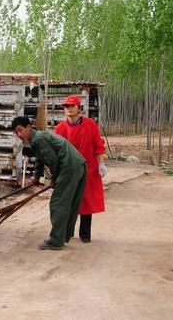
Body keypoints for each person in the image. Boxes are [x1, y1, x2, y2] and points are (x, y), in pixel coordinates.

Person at [11, 116, 87, 250]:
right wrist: (36, 176)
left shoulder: (39, 139)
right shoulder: (36, 138)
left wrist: (54, 179)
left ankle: (56, 241)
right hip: (78, 164)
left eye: (20, 130)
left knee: (57, 202)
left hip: (69, 166)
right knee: (69, 203)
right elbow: (40, 159)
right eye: (16, 132)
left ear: (29, 127)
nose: (19, 135)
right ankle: (63, 235)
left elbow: (53, 161)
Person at [55, 95, 106, 243]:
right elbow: (58, 152)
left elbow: (98, 145)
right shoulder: (60, 128)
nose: (69, 109)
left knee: (87, 201)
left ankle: (85, 234)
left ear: (79, 108)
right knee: (69, 201)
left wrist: (101, 163)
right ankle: (68, 232)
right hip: (69, 170)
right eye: (66, 107)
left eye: (72, 106)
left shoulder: (90, 125)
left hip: (88, 168)